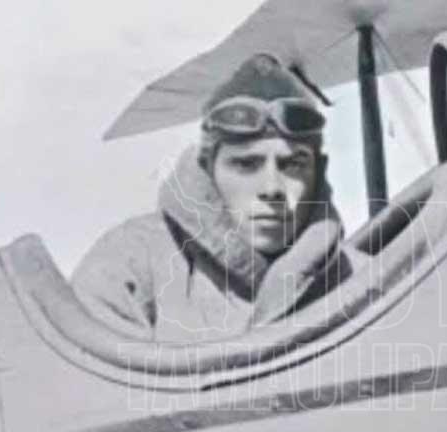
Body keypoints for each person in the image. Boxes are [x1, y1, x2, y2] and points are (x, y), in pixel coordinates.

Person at [72, 54, 348, 343]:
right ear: (208, 171)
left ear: (319, 173)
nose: (272, 189)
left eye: (293, 165)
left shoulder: (359, 281)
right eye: (246, 164)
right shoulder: (130, 263)